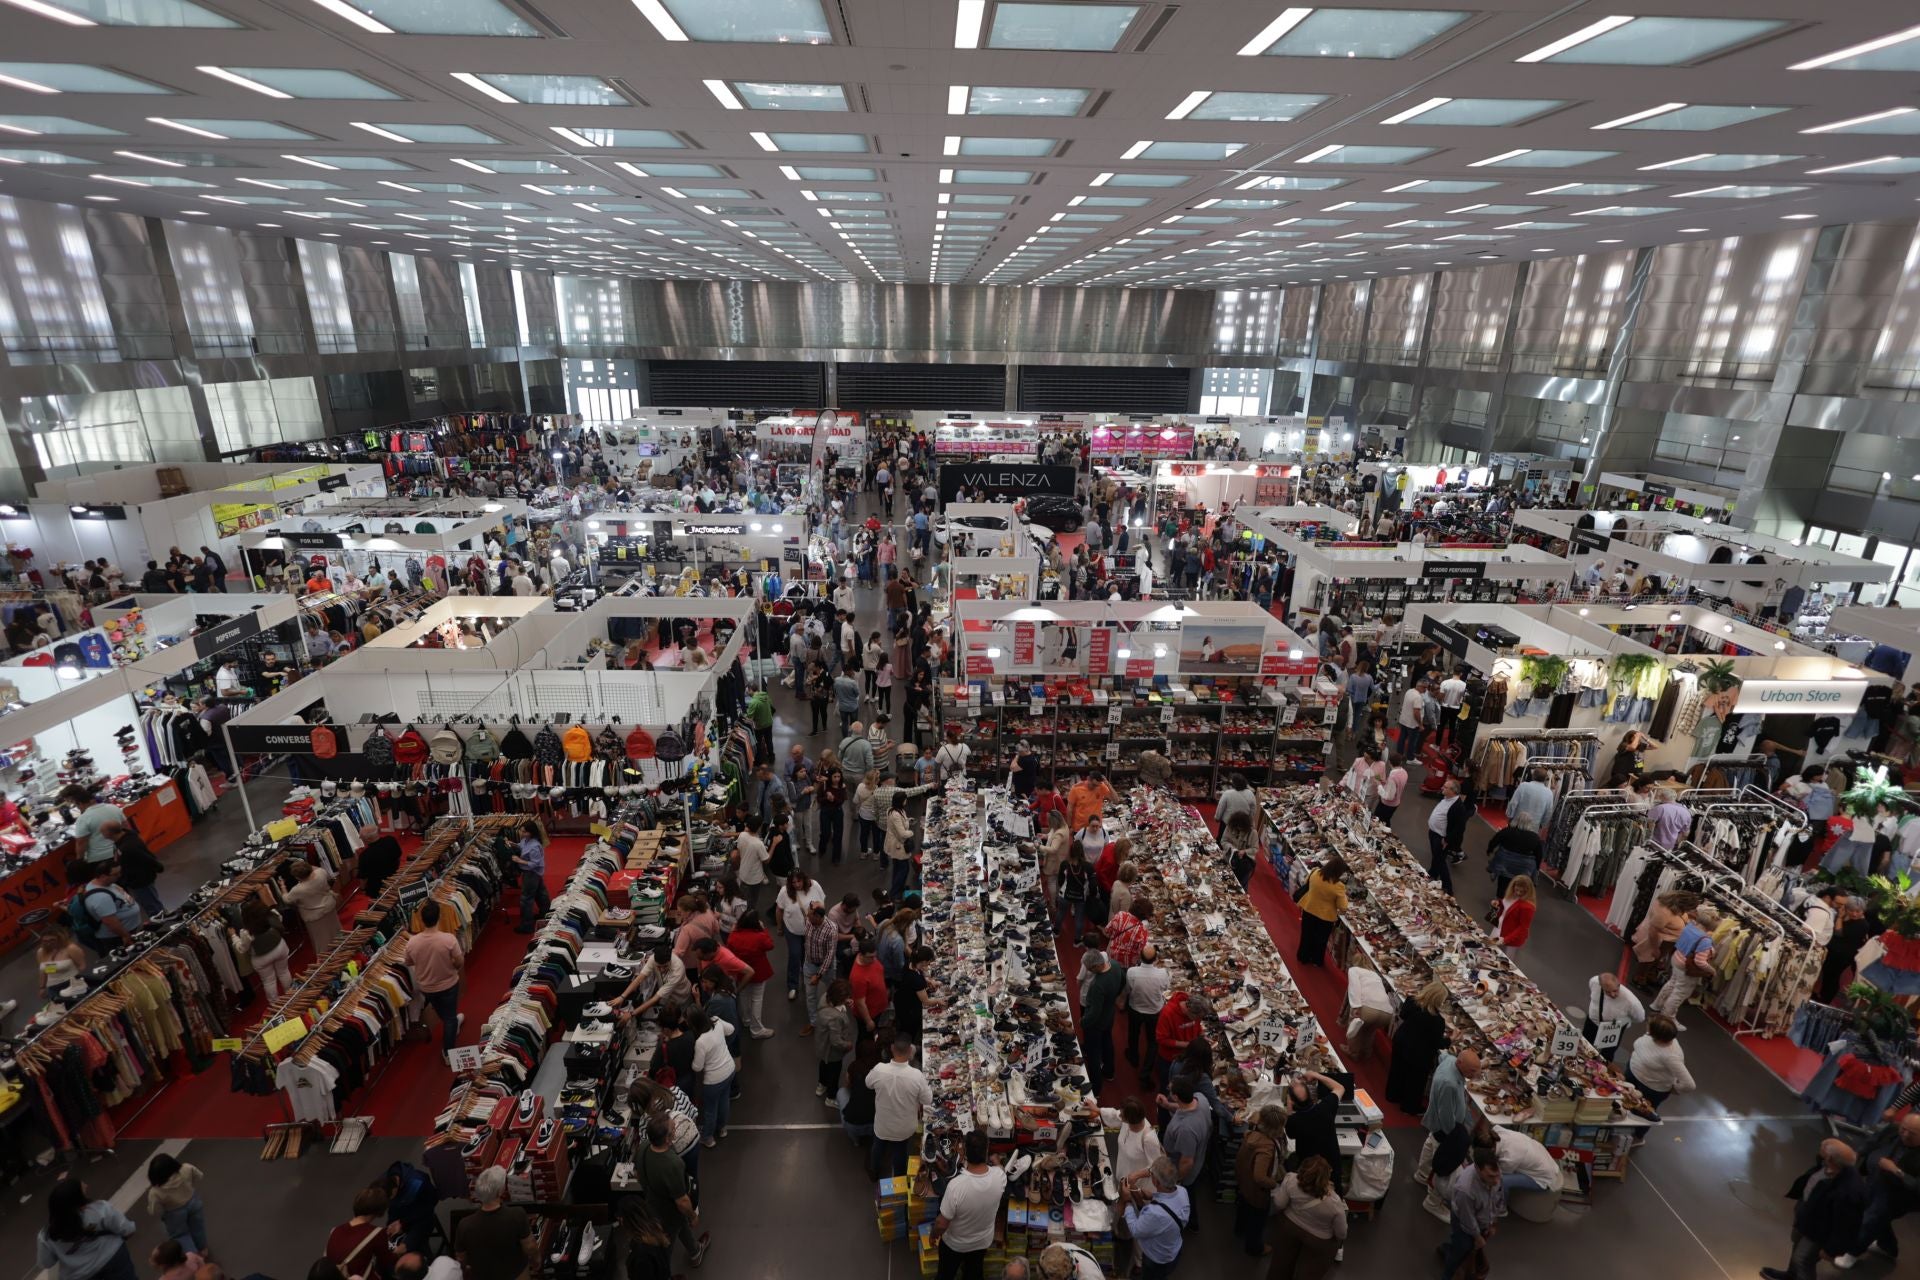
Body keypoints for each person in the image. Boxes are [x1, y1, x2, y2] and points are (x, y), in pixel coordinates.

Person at [1762, 1138, 1866, 1280]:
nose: (1819, 1148)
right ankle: (1791, 1276)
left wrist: (1831, 1250)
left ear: (1830, 1158)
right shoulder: (1829, 1165)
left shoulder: (1849, 1191)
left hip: (1819, 1230)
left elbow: (1846, 1225)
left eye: (1822, 1147)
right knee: (1796, 1248)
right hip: (1807, 1217)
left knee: (1803, 1260)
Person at [1837, 1111, 1920, 1267]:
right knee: (1876, 1217)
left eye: (1912, 1134)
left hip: (1899, 1195)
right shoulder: (1893, 1129)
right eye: (1904, 1129)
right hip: (1875, 1181)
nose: (1905, 1134)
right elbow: (1873, 1141)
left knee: (1871, 1219)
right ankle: (1888, 1247)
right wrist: (1857, 1154)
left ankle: (1851, 1253)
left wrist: (1896, 1171)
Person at [630, 1115, 708, 1270]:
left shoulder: (644, 1146)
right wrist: (692, 1215)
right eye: (673, 1129)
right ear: (667, 1139)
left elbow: (638, 1174)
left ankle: (695, 1251)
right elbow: (681, 1201)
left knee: (681, 1227)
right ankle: (663, 1271)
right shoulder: (672, 1164)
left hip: (651, 1203)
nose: (676, 1129)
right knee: (667, 1244)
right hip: (669, 1212)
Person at [931, 1130, 1007, 1280]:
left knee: (945, 1275)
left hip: (955, 1244)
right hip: (981, 1242)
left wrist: (934, 1234)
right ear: (986, 1150)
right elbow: (1001, 1171)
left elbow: (941, 1223)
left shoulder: (956, 1186)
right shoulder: (1000, 1177)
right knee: (974, 1273)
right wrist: (997, 1162)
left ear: (964, 1152)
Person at [1418, 1049, 1480, 1216]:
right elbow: (1445, 1115)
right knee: (1443, 1164)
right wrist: (1453, 1138)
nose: (1475, 1074)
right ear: (1460, 1064)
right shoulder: (1449, 1083)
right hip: (1444, 1129)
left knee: (1430, 1145)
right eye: (1472, 1070)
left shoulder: (1451, 1060)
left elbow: (1442, 1055)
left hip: (1435, 1125)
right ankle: (1433, 1201)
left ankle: (1422, 1174)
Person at [37, 1180, 137, 1280]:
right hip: (114, 1261)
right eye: (82, 1187)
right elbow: (128, 1230)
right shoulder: (99, 1209)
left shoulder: (46, 1235)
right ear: (77, 1198)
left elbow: (46, 1263)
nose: (86, 1185)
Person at [1268, 1155, 1348, 1280]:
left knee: (1280, 1265)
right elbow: (1341, 1234)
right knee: (1310, 1273)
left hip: (1289, 1228)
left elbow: (1279, 1203)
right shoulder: (1334, 1203)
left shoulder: (1291, 1180)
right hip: (1318, 1240)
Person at [454, 1167, 538, 1280]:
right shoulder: (516, 1215)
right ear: (500, 1191)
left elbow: (461, 1258)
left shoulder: (464, 1225)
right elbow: (530, 1246)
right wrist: (537, 1260)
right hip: (516, 1275)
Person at [867, 1037, 933, 1179]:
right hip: (904, 1127)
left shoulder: (879, 1069)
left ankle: (873, 1172)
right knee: (900, 1150)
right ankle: (899, 1179)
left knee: (878, 1146)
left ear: (892, 1048)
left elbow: (868, 1083)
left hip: (882, 1124)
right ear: (910, 1051)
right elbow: (927, 1099)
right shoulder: (916, 1076)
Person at [404, 901, 464, 1054]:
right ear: (439, 917)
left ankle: (453, 1025)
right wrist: (452, 967)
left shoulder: (412, 942)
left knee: (443, 1013)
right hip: (449, 984)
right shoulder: (448, 939)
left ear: (422, 920)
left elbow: (408, 962)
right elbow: (459, 962)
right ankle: (448, 1051)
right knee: (450, 1017)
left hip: (427, 987)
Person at [1650, 903, 1722, 1029]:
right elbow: (1700, 962)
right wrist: (1712, 970)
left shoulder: (1689, 926)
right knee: (1679, 993)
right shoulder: (1705, 940)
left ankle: (1657, 1005)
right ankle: (1667, 1018)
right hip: (1686, 966)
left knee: (1671, 983)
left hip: (1676, 958)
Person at [1120, 1157, 1189, 1280]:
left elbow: (1136, 1230)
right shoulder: (1182, 1191)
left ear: (1156, 1182)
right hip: (1174, 1250)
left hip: (1157, 1259)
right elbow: (1169, 1202)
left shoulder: (1155, 1213)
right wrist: (1152, 1196)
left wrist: (1128, 1201)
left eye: (1151, 1174)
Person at [1439, 1152, 1505, 1280]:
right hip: (1463, 1221)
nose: (1496, 1181)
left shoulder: (1496, 1173)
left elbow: (1499, 1199)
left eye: (1497, 1175)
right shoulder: (1466, 1189)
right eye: (1491, 1176)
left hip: (1482, 1220)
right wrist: (1478, 1237)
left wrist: (1493, 1223)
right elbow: (1467, 1219)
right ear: (1477, 1169)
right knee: (1462, 1247)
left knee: (1464, 1247)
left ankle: (1447, 1249)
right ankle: (1448, 1273)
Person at [1234, 1105, 1286, 1257]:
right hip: (1258, 1191)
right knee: (1258, 1220)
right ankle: (1255, 1247)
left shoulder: (1253, 1132)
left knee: (1243, 1208)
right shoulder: (1267, 1147)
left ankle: (1239, 1230)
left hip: (1244, 1181)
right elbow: (1259, 1177)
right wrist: (1274, 1184)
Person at [1284, 1071, 1345, 1189]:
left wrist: (1289, 1104)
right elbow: (1340, 1087)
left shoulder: (1294, 1121)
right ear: (1311, 1096)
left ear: (1292, 1101)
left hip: (1309, 1172)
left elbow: (1290, 1133)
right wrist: (1316, 1075)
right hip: (1331, 1168)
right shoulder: (1325, 1108)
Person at [1625, 1014, 1695, 1116]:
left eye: (1649, 1025)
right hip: (1632, 1074)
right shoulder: (1651, 1035)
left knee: (1641, 1115)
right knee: (1623, 1103)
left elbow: (1689, 1085)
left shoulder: (1671, 1056)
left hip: (1649, 1089)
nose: (1647, 1025)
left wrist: (1673, 1089)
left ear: (1657, 1034)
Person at [325, 1186, 398, 1280]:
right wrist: (398, 1252)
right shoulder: (377, 1233)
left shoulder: (335, 1230)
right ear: (379, 1210)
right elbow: (387, 1261)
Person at [688, 1006, 736, 1147]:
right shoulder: (716, 1021)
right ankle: (722, 1129)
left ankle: (708, 1137)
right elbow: (731, 1029)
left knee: (710, 1110)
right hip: (729, 1070)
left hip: (713, 1081)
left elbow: (697, 1067)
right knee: (724, 1101)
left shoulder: (700, 1042)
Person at [726, 909, 777, 1040]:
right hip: (758, 971)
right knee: (757, 999)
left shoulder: (734, 936)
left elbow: (729, 949)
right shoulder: (759, 936)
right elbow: (770, 945)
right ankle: (756, 1029)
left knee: (743, 995)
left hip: (741, 971)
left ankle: (746, 1019)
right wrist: (763, 929)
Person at [1081, 950, 1126, 1094]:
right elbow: (1123, 981)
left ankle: (1096, 1088)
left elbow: (1094, 1012)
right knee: (1107, 1042)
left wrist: (1083, 1022)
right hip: (1109, 1015)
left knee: (1093, 1054)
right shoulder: (1115, 965)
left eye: (1089, 969)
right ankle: (1109, 1072)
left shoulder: (1097, 985)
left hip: (1096, 1023)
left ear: (1095, 967)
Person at [146, 1153, 208, 1256]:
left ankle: (193, 1255)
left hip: (174, 1213)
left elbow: (153, 1210)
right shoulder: (186, 1168)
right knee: (197, 1227)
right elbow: (200, 1176)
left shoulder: (155, 1191)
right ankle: (203, 1249)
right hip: (193, 1202)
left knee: (181, 1235)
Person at [1160, 1079, 1212, 1204]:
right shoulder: (1200, 1098)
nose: (1168, 1089)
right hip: (1201, 1157)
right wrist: (1167, 1105)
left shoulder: (1185, 1129)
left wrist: (1176, 1181)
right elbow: (1184, 1106)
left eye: (1170, 1090)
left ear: (1176, 1097)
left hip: (1185, 1173)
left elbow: (1187, 1161)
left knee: (1184, 1199)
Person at [1125, 942, 1170, 1073]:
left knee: (1133, 1034)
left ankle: (1133, 1057)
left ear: (1140, 956)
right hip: (1154, 1011)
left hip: (1135, 1008)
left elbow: (1128, 989)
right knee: (1152, 1041)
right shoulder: (1162, 973)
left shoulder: (1132, 972)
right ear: (1155, 959)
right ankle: (1146, 1071)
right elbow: (1166, 988)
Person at [1295, 856, 1348, 967]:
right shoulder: (1339, 886)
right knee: (1320, 940)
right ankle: (1316, 960)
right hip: (1325, 916)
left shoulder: (1315, 872)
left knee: (1306, 935)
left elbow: (1306, 882)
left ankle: (1303, 956)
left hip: (1309, 908)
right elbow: (1342, 907)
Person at [1580, 972, 1645, 1063]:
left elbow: (1640, 1018)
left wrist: (1623, 1021)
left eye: (1615, 990)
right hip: (1593, 1022)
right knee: (1584, 1045)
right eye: (1607, 992)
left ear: (1619, 984)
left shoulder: (1631, 1001)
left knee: (1606, 1056)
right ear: (1601, 986)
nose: (1613, 994)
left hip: (1612, 1029)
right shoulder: (1594, 982)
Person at [285, 858, 341, 957]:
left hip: (315, 917)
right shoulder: (321, 872)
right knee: (335, 930)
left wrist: (282, 888)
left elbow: (287, 900)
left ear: (297, 877)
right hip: (329, 907)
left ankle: (327, 959)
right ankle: (343, 947)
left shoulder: (297, 890)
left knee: (321, 940)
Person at [238, 900, 292, 1001]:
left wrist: (234, 938)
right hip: (279, 947)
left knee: (269, 982)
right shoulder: (273, 914)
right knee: (284, 972)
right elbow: (280, 920)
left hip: (261, 958)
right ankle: (292, 996)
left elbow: (243, 949)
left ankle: (275, 1005)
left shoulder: (246, 931)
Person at [1426, 777, 1470, 894]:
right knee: (1436, 857)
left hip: (1441, 838)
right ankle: (1432, 874)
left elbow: (1460, 828)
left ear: (1453, 791)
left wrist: (1447, 840)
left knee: (1440, 860)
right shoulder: (1446, 798)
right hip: (1434, 833)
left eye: (1445, 787)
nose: (1442, 788)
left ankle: (1447, 887)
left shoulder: (1458, 807)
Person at [1484, 816, 1544, 900]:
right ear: (1530, 824)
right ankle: (1512, 900)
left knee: (1503, 882)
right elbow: (1539, 854)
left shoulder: (1507, 831)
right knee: (1519, 884)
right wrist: (1536, 868)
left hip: (1505, 863)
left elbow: (1495, 840)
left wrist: (1489, 850)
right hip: (1523, 868)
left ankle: (1498, 899)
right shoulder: (1535, 837)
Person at [1115, 1096, 1165, 1182]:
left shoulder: (1149, 1139)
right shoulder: (1130, 1121)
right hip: (1124, 1172)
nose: (1119, 1115)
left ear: (1130, 1119)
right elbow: (1115, 1114)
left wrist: (1136, 1175)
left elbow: (1156, 1167)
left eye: (1122, 1115)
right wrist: (1098, 1110)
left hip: (1138, 1184)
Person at [36, 922, 89, 1002]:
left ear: (60, 938)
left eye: (52, 940)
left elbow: (82, 966)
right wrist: (42, 987)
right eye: (45, 941)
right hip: (53, 988)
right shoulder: (41, 952)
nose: (48, 943)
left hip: (72, 984)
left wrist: (78, 982)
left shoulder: (71, 949)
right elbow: (44, 971)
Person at [882, 792, 917, 896]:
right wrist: (911, 832)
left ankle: (898, 887)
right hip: (898, 845)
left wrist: (908, 820)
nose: (906, 801)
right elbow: (902, 833)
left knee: (898, 868)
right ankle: (895, 892)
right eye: (905, 799)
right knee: (903, 869)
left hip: (895, 843)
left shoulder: (894, 810)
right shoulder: (896, 814)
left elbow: (900, 823)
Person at [354, 825, 404, 898]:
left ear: (367, 839)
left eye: (361, 837)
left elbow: (363, 878)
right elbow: (398, 857)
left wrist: (363, 889)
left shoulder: (364, 855)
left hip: (378, 889)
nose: (360, 838)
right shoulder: (390, 840)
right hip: (396, 877)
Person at [1504, 769, 1554, 834]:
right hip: (1534, 827)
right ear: (1545, 779)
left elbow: (1513, 803)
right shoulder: (1549, 793)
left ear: (1533, 776)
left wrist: (1510, 816)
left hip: (1517, 822)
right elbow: (1548, 812)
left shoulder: (1523, 786)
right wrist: (1542, 824)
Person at [1496, 875, 1537, 952]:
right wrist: (1498, 904)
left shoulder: (1528, 907)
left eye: (1522, 892)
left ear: (1528, 891)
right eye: (1517, 890)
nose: (1518, 893)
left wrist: (1505, 940)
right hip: (1500, 931)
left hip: (1511, 940)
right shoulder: (1511, 895)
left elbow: (1523, 927)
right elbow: (1505, 907)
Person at [1374, 750, 1409, 824]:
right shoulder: (1404, 772)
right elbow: (1397, 786)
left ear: (1389, 762)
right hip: (1395, 803)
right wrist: (1385, 782)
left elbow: (1388, 797)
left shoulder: (1393, 777)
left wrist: (1378, 784)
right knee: (1386, 820)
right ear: (1400, 762)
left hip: (1387, 805)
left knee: (1379, 821)